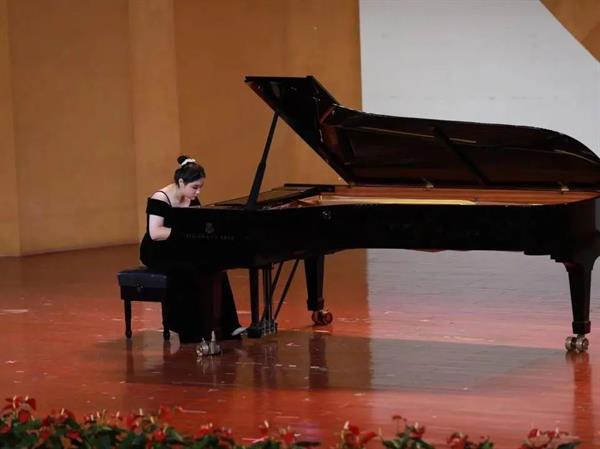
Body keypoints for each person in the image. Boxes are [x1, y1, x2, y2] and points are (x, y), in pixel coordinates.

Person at [140, 155, 243, 343]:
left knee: (217, 266)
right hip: (157, 250)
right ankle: (189, 330)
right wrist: (184, 235)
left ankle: (228, 326)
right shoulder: (160, 198)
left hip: (179, 247)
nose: (197, 191)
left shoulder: (192, 199)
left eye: (200, 187)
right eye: (195, 187)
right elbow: (155, 232)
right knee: (187, 271)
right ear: (181, 182)